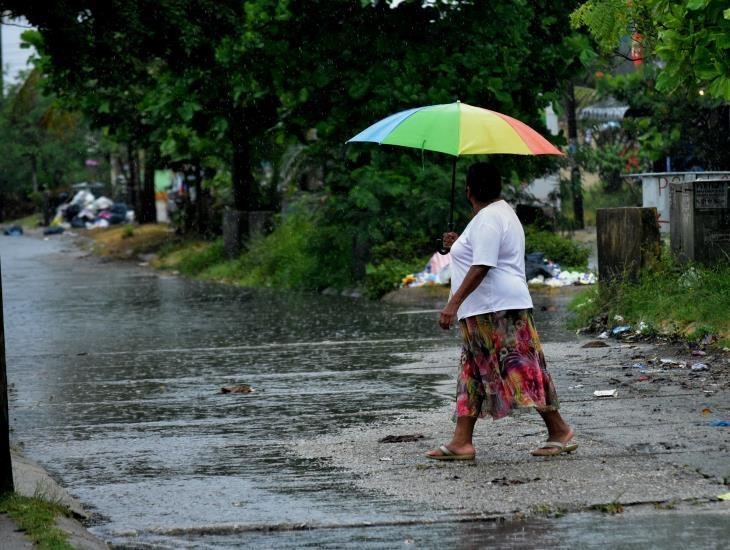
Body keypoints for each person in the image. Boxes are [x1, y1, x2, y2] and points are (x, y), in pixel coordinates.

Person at [426, 162, 576, 460]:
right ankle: (461, 441)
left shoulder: (489, 218)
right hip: (484, 311)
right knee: (470, 374)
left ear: (469, 191)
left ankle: (560, 430)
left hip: (498, 310)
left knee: (522, 369)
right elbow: (479, 254)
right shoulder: (494, 216)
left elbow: (483, 265)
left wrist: (452, 303)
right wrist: (458, 246)